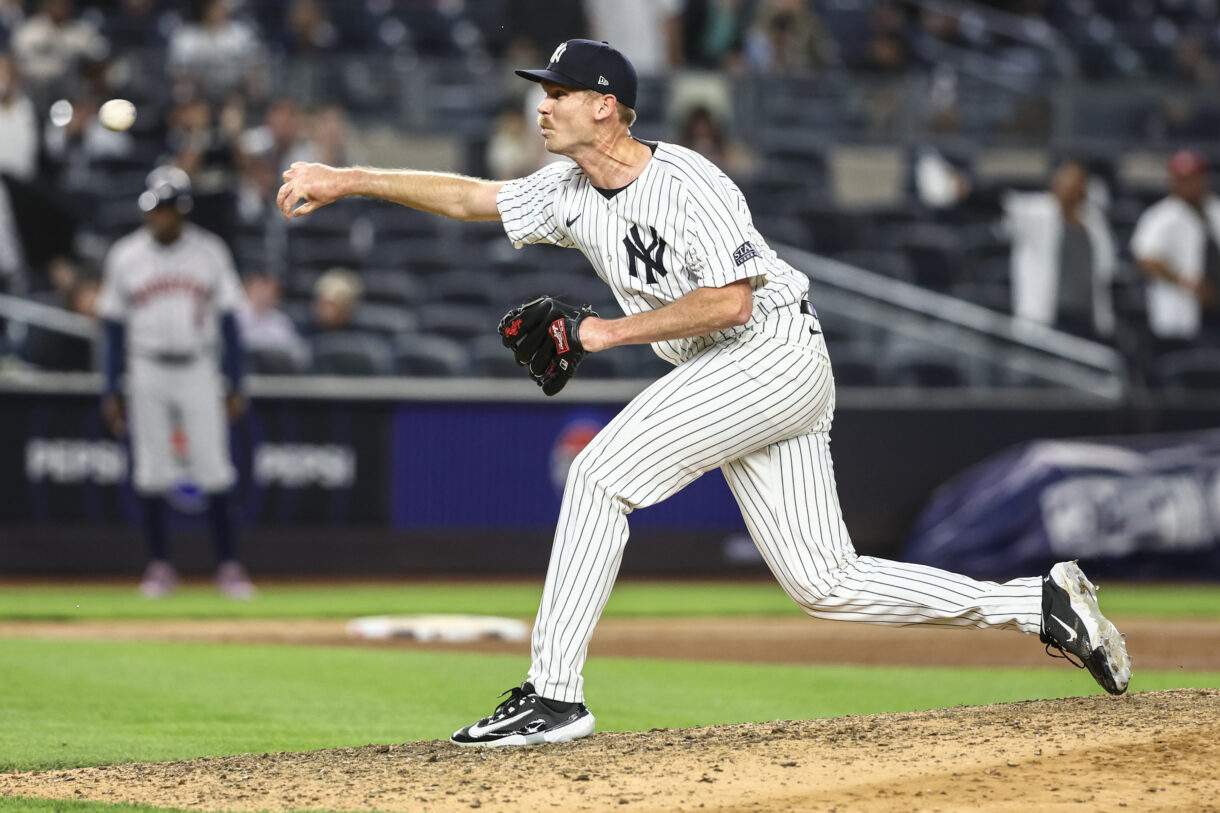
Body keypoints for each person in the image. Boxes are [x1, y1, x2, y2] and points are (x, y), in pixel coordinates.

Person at [276, 39, 1131, 748]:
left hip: (768, 351)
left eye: (560, 91)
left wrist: (602, 332)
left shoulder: (689, 183)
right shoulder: (571, 192)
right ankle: (1039, 603)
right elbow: (472, 197)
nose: (542, 104)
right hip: (734, 370)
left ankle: (554, 693)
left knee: (600, 475)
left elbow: (733, 299)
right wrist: (346, 177)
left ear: (606, 105)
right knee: (824, 581)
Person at [97, 166, 257, 600]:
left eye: (171, 210)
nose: (164, 218)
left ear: (184, 212)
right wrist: (110, 388)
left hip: (198, 366)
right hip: (146, 365)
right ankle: (160, 567)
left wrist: (235, 381)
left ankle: (228, 567)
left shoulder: (209, 252)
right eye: (158, 210)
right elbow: (112, 329)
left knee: (215, 467)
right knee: (151, 470)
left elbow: (229, 323)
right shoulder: (125, 256)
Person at [1002, 159, 1117, 340]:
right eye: (1067, 180)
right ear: (1055, 184)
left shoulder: (1094, 222)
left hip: (1087, 316)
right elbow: (1001, 208)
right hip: (1047, 316)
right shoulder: (1036, 213)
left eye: (1079, 181)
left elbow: (1107, 267)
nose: (1073, 186)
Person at [1131, 149, 1220, 355]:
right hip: (1182, 316)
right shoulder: (1161, 216)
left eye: (1194, 178)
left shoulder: (1215, 210)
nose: (1190, 184)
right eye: (1183, 179)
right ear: (1173, 181)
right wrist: (1184, 281)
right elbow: (1146, 258)